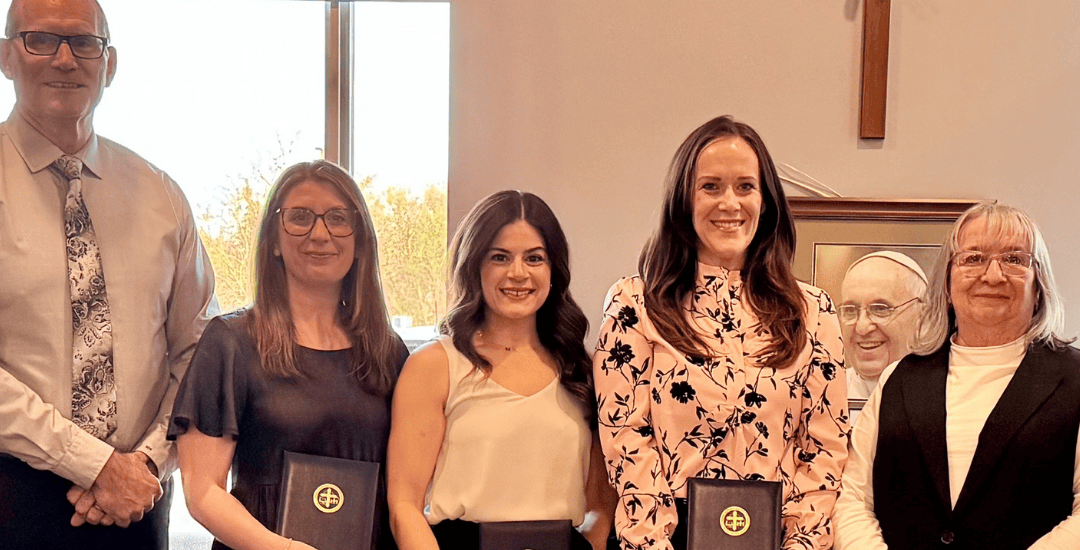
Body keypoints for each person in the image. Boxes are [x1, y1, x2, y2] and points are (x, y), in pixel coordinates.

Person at [0, 0, 217, 547]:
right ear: (6, 57)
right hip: (9, 497)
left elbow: (199, 351)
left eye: (84, 42)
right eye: (41, 40)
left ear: (110, 64)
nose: (65, 59)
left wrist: (147, 463)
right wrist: (93, 464)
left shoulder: (162, 196)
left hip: (139, 503)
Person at [593, 115, 848, 550]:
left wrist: (801, 544)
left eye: (745, 186)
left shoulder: (813, 312)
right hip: (662, 539)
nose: (730, 203)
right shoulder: (634, 304)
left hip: (778, 538)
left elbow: (824, 451)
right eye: (711, 187)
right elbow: (626, 441)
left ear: (765, 201)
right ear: (683, 200)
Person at [167, 160, 409, 550]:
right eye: (300, 217)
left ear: (360, 241)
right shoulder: (231, 342)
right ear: (275, 241)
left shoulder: (388, 352)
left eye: (338, 218)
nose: (320, 234)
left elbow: (405, 492)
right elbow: (202, 492)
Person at [834, 202, 1080, 549]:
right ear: (947, 285)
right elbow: (853, 500)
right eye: (974, 258)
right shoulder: (898, 380)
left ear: (1038, 285)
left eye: (1014, 259)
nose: (992, 275)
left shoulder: (1074, 379)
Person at [387, 190, 615, 550]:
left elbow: (600, 508)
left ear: (554, 270)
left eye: (534, 258)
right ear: (475, 266)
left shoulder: (583, 370)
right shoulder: (434, 365)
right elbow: (404, 507)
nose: (518, 273)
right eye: (500, 257)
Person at [838, 251, 927, 400]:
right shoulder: (822, 394)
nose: (862, 328)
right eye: (850, 310)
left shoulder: (945, 393)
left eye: (880, 309)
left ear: (922, 315)